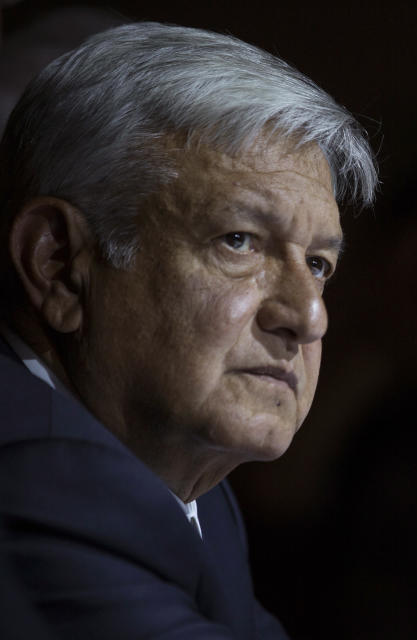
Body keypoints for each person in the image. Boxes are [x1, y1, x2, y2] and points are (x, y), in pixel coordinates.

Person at [0, 22, 376, 639]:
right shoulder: (42, 479)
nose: (309, 316)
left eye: (317, 264)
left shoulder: (186, 484)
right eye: (240, 242)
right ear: (60, 266)